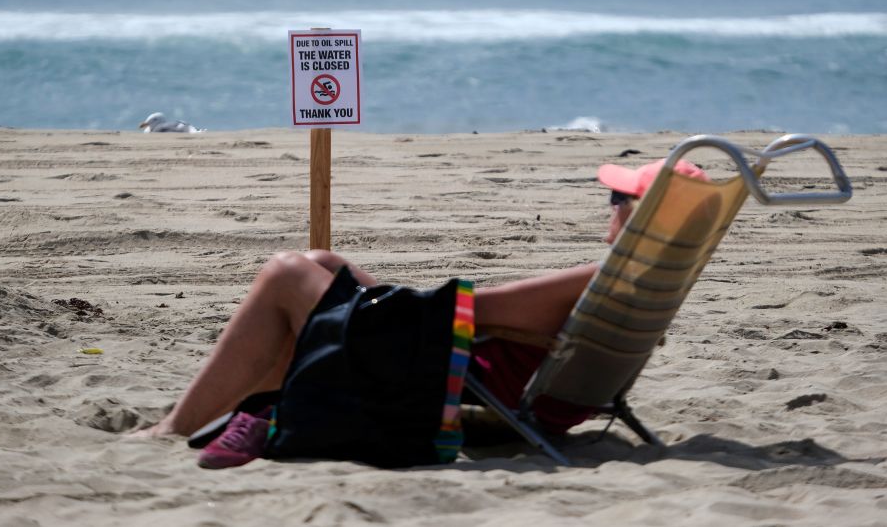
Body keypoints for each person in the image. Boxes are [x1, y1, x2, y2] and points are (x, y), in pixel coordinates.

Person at [134, 159, 708, 469]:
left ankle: (180, 425)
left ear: (639, 218)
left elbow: (472, 311)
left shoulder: (595, 278)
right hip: (474, 366)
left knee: (288, 271)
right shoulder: (643, 277)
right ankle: (252, 410)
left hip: (451, 377)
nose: (608, 209)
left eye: (617, 201)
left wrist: (389, 298)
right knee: (323, 262)